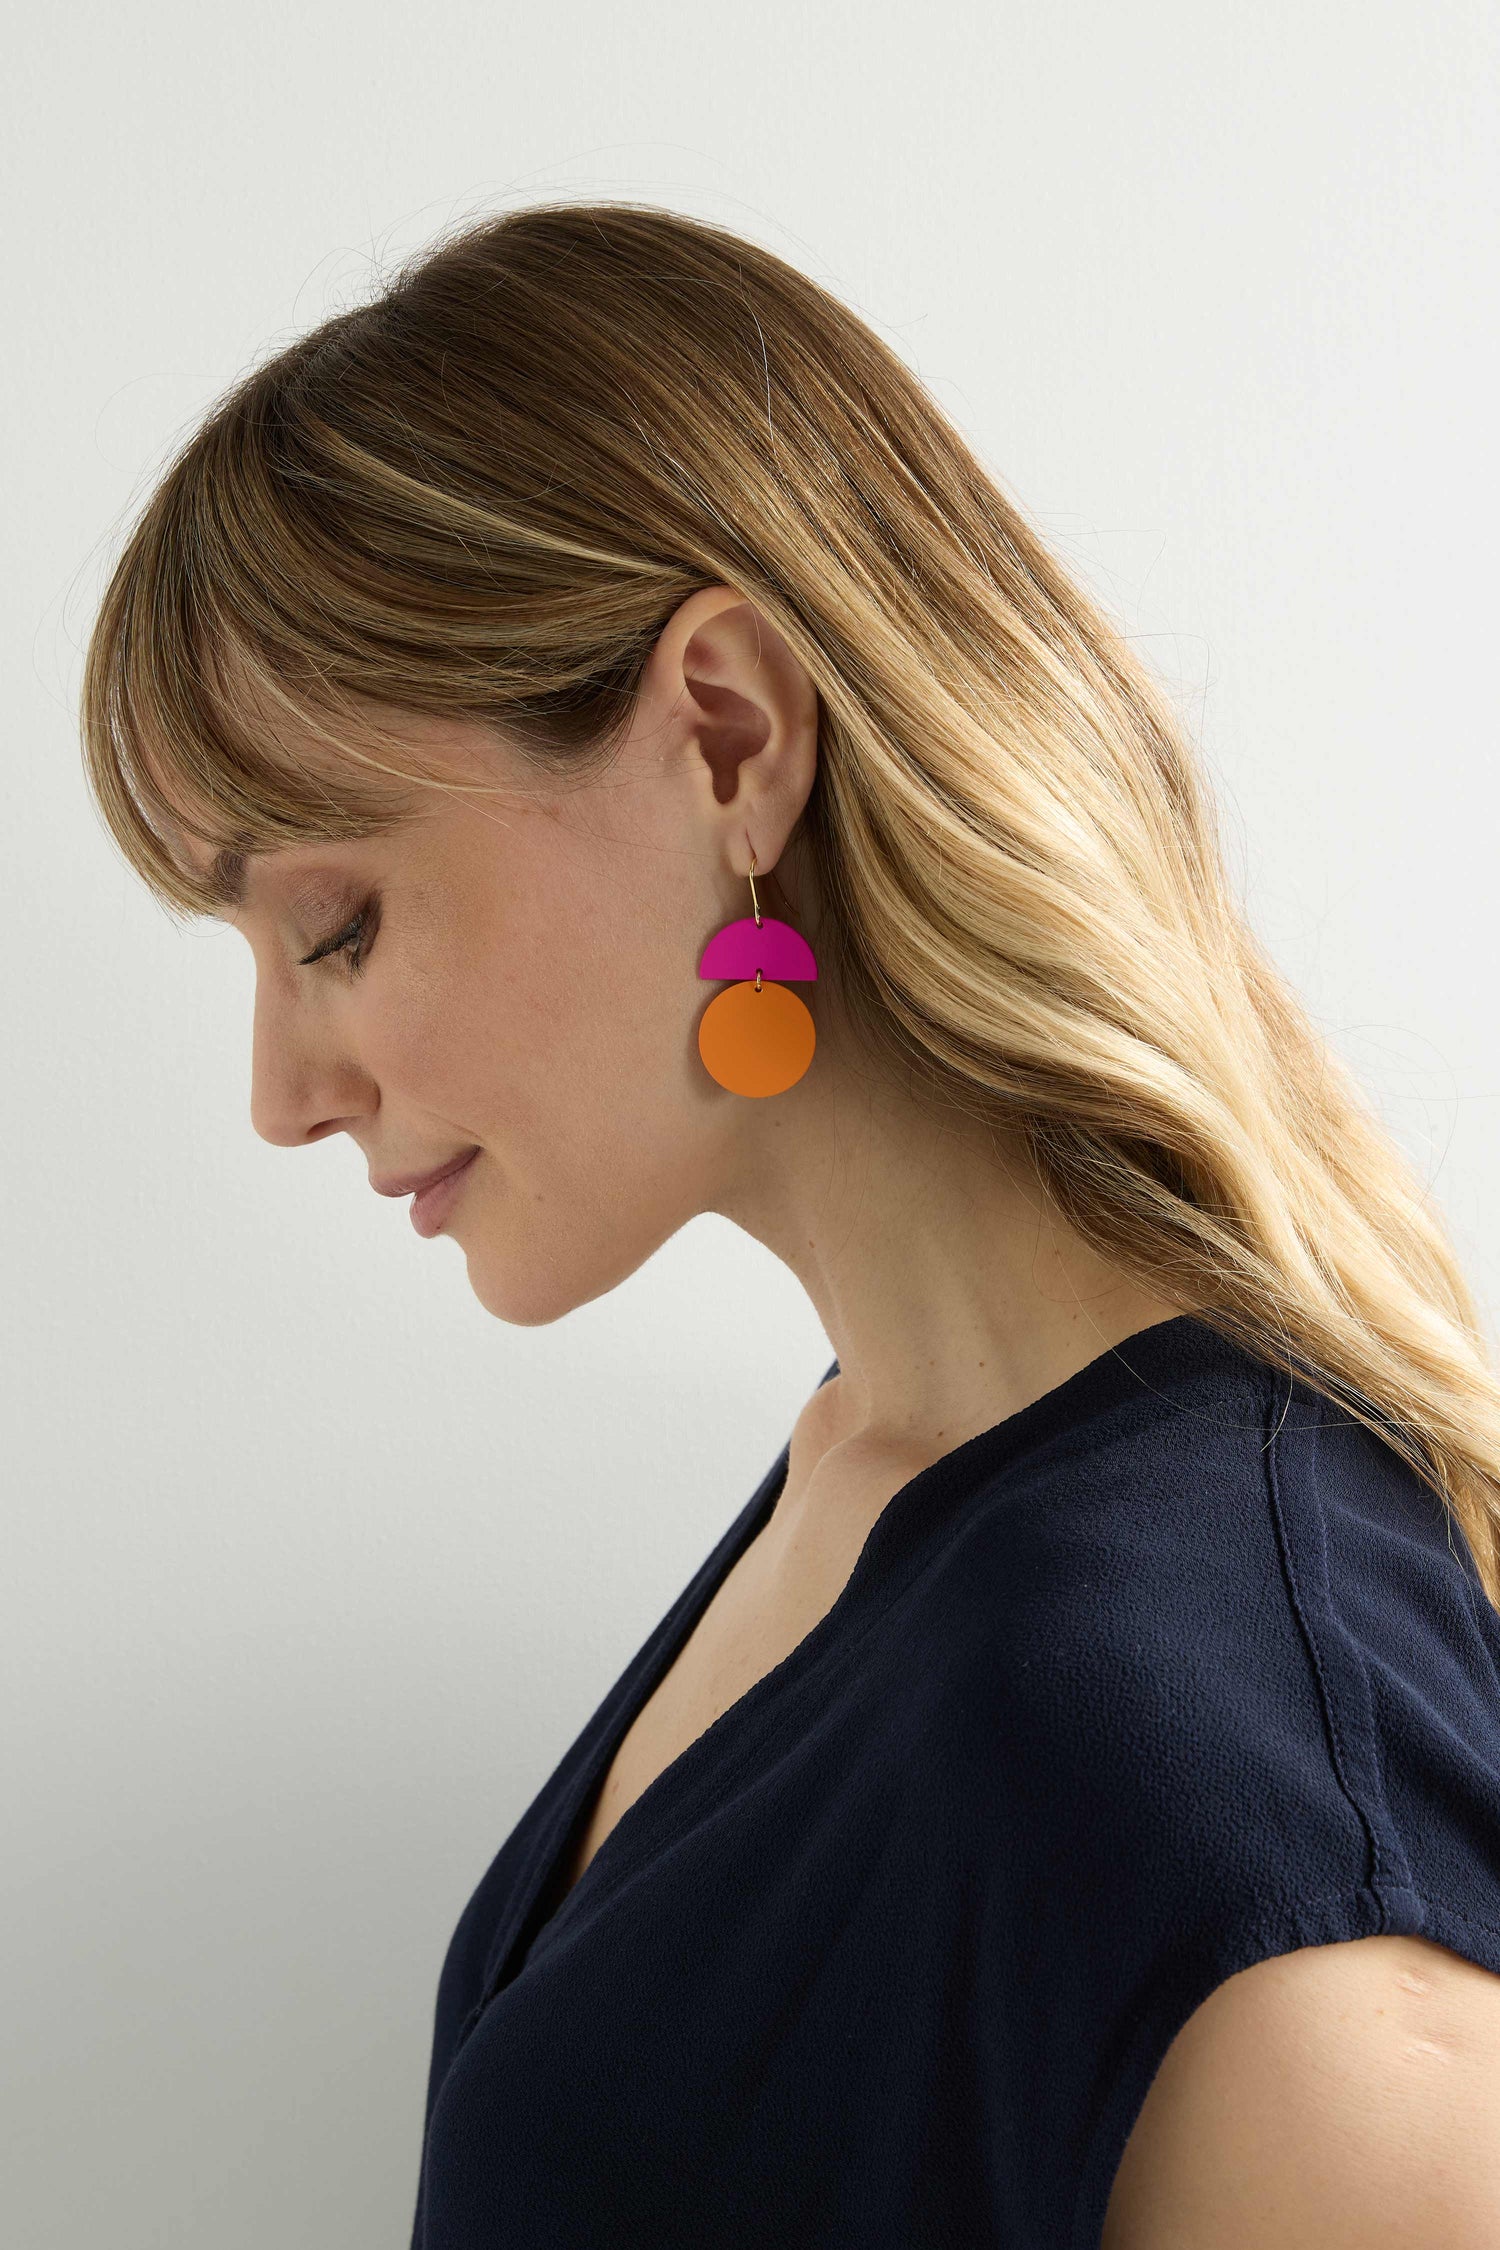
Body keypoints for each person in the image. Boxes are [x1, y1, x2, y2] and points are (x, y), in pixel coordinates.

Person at [79, 201, 1500, 2248]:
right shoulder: (878, 1461)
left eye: (336, 926)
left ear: (730, 740)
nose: (280, 1092)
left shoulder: (1211, 1752)